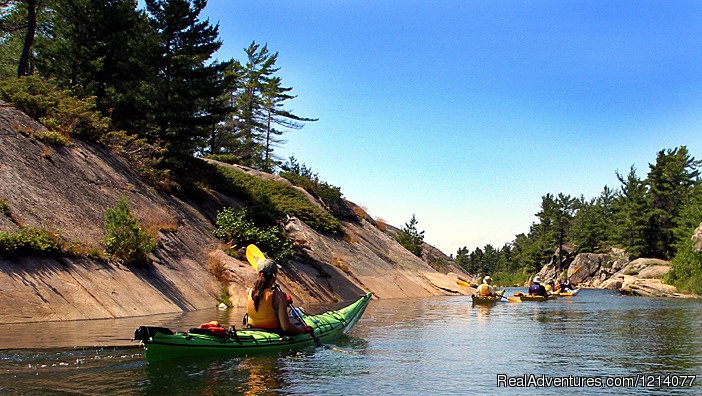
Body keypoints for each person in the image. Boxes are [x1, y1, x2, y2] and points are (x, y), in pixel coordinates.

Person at [246, 258, 314, 335]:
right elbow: (286, 327)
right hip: (273, 331)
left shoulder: (249, 291)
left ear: (259, 274)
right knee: (295, 322)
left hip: (252, 329)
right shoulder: (279, 296)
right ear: (274, 276)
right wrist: (303, 330)